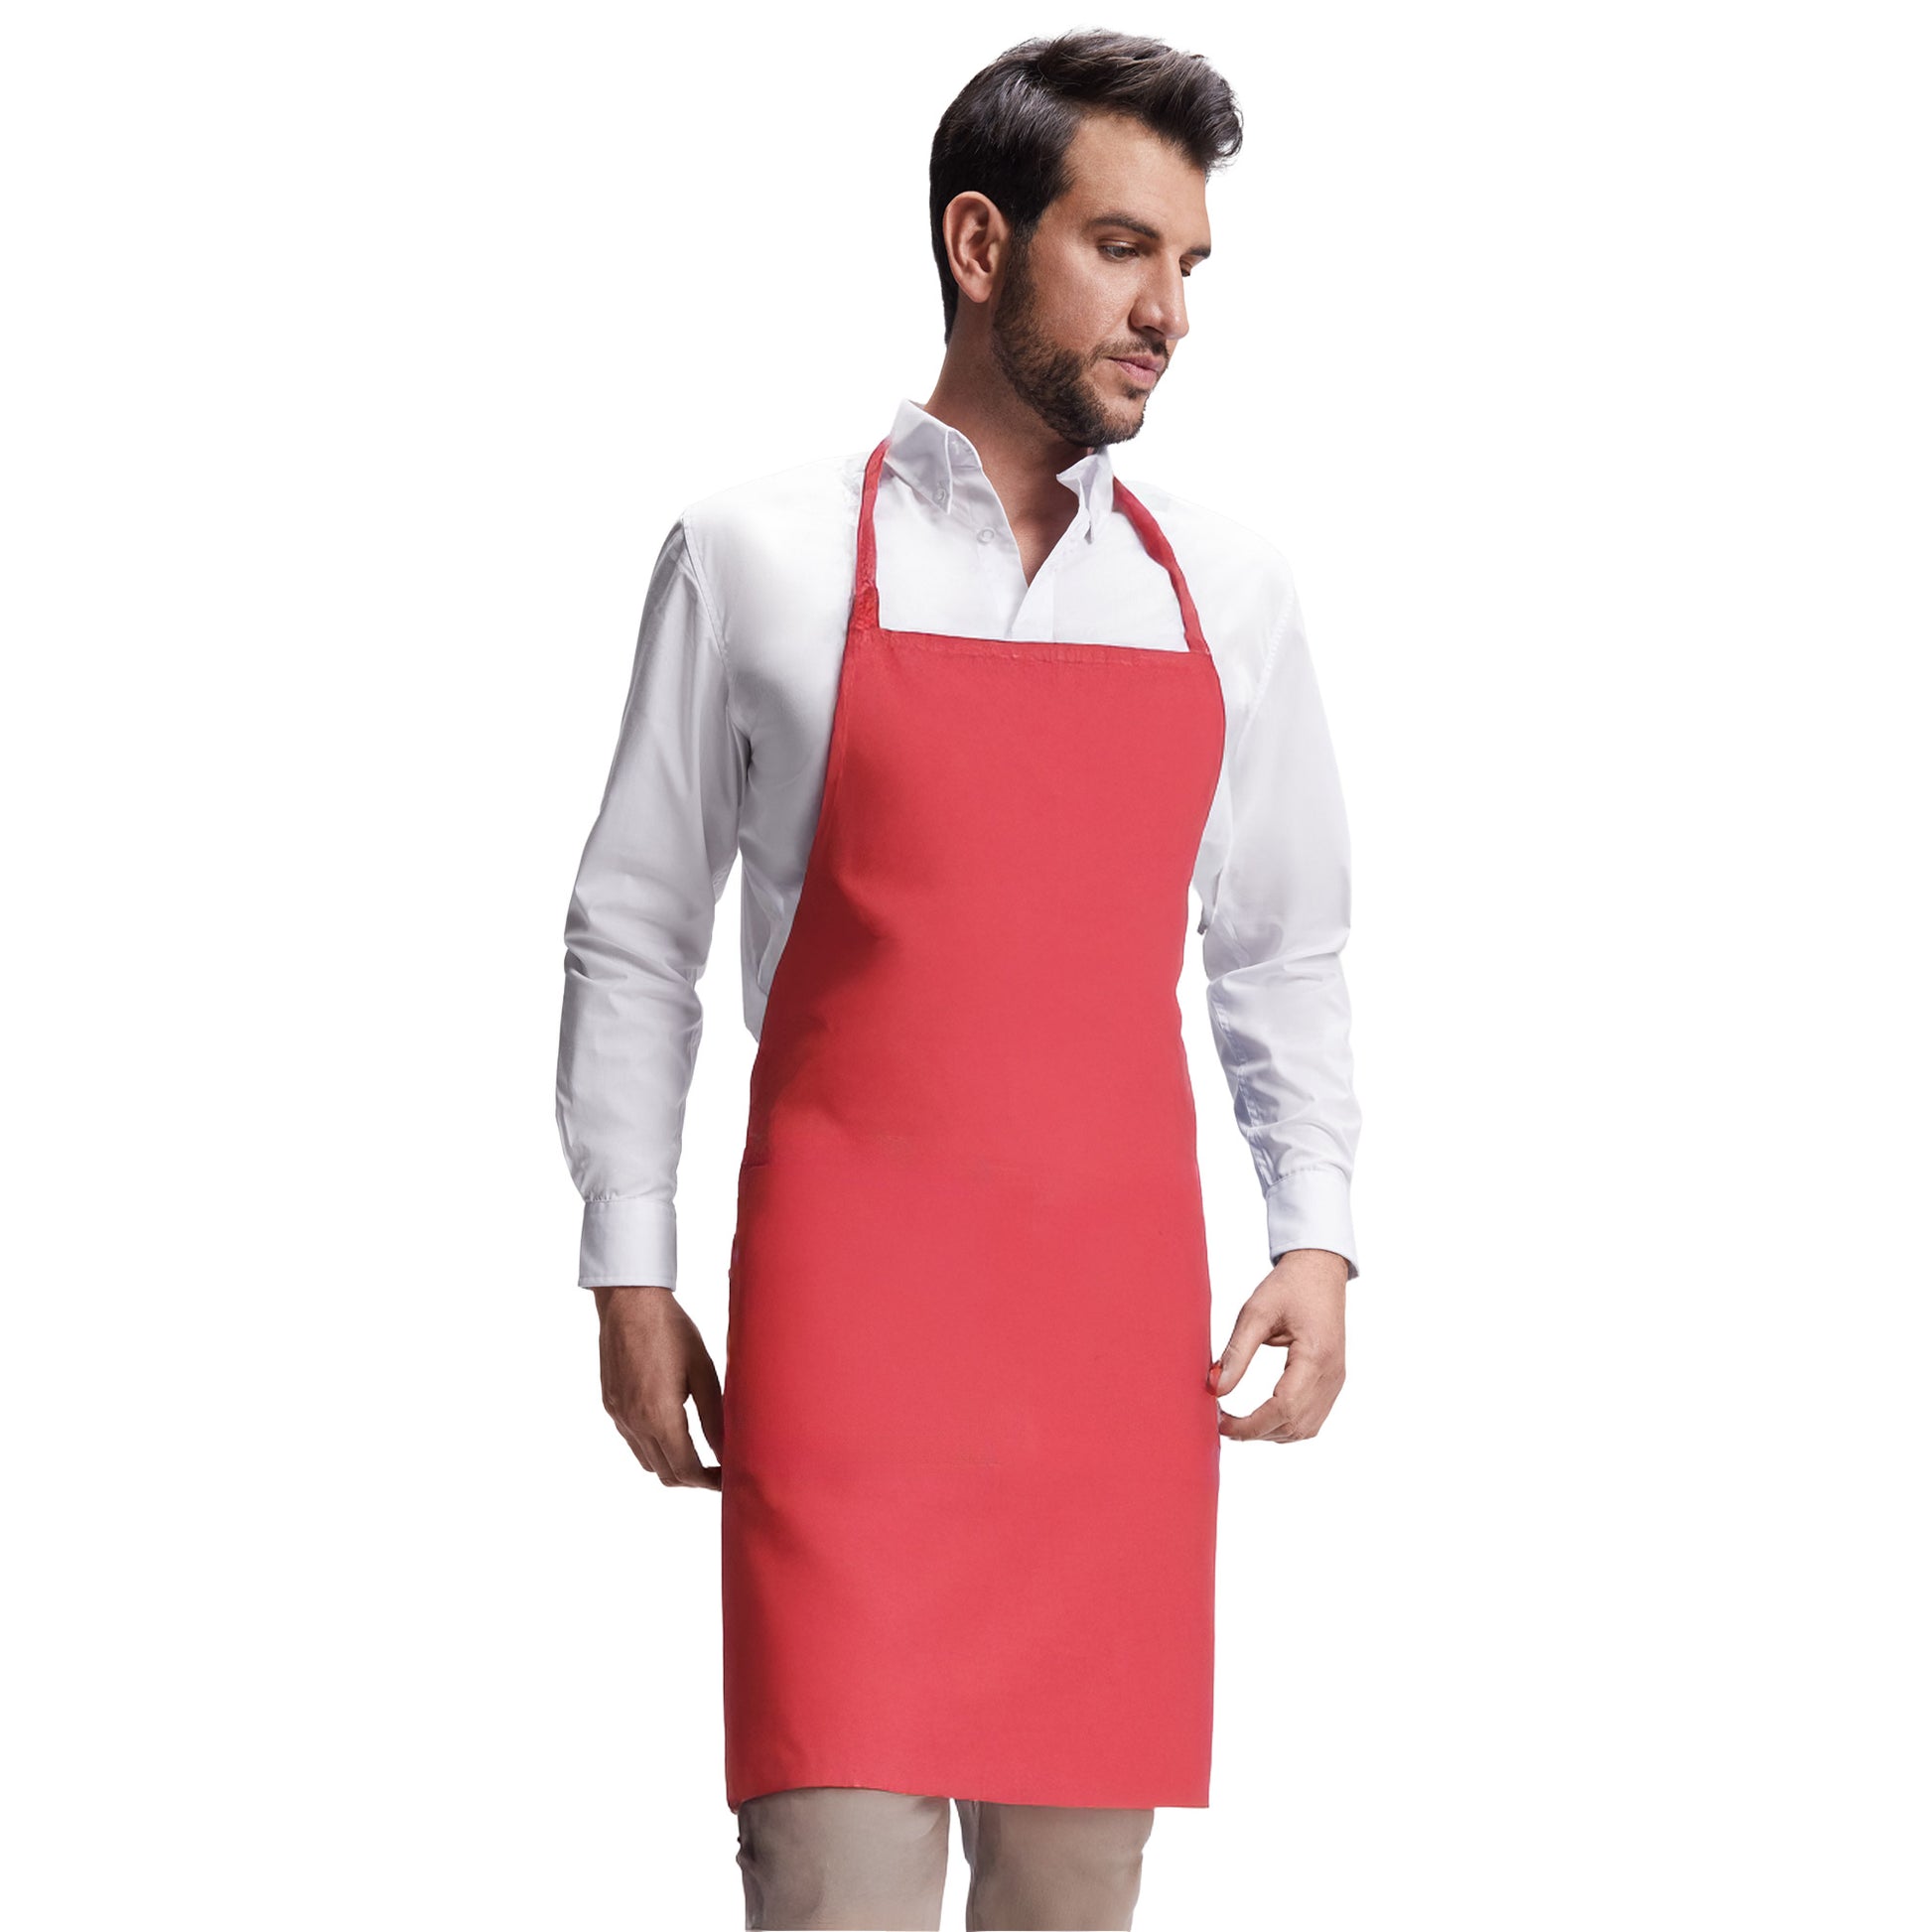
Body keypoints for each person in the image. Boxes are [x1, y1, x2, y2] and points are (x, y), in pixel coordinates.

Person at [554, 28, 1363, 1931]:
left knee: (1073, 1897)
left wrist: (1315, 1230)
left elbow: (1281, 939)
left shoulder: (1225, 589)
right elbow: (635, 923)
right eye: (1122, 248)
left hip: (1108, 1361)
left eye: (1188, 265)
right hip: (843, 1355)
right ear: (980, 243)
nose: (1168, 313)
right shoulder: (750, 553)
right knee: (830, 1884)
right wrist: (627, 1265)